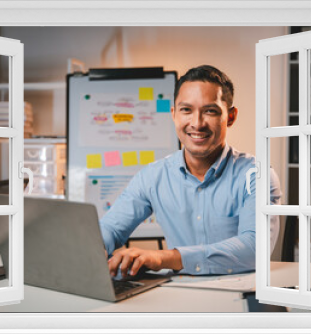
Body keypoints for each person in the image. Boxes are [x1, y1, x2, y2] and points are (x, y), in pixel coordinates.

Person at [100, 65, 281, 278]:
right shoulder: (152, 177)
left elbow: (254, 248)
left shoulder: (256, 176)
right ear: (174, 114)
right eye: (186, 110)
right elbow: (110, 229)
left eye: (210, 111)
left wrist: (163, 258)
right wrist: (94, 249)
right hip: (177, 296)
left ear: (230, 117)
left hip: (239, 298)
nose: (197, 123)